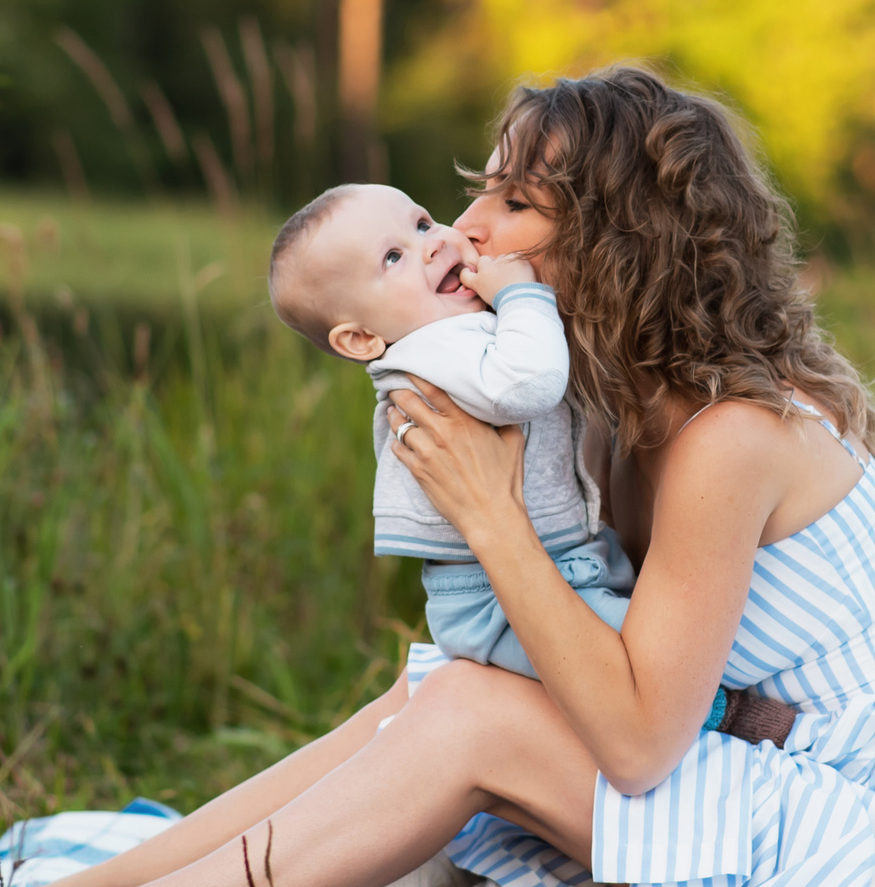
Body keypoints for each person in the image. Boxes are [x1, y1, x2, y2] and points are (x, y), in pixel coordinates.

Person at [0, 67, 875, 887]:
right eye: (477, 190)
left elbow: (640, 740)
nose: (463, 226)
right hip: (774, 753)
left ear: (613, 241)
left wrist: (491, 518)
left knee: (461, 712)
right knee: (432, 689)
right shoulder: (599, 408)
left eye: (510, 203)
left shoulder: (726, 436)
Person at [265, 181, 629, 679]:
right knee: (642, 656)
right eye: (393, 257)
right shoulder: (427, 353)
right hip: (491, 604)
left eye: (421, 223)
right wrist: (522, 294)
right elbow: (528, 384)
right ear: (361, 338)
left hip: (550, 568)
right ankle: (724, 711)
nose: (432, 242)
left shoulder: (454, 330)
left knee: (648, 636)